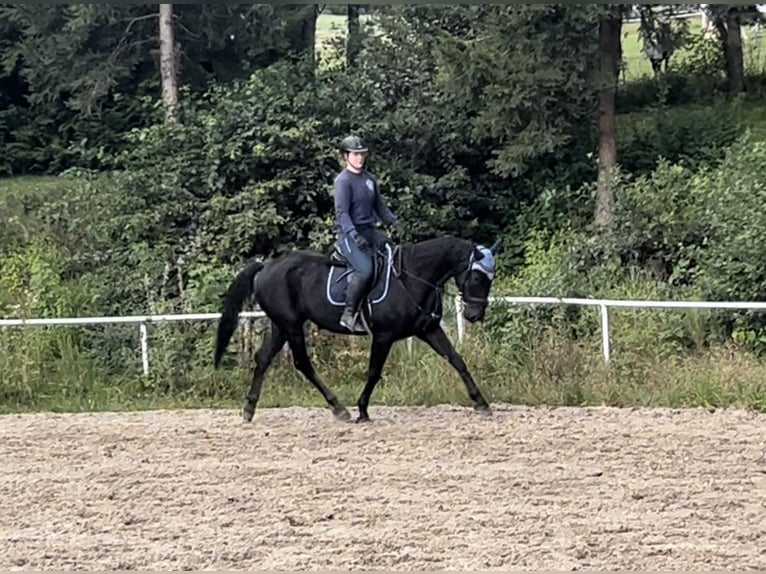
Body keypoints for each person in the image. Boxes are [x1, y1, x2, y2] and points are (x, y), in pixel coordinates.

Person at [333, 135, 400, 333]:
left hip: (369, 231)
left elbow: (380, 207)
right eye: (355, 154)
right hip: (348, 234)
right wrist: (353, 234)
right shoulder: (343, 181)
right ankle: (349, 313)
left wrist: (394, 221)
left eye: (362, 154)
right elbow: (342, 213)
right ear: (346, 156)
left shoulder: (370, 180)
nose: (360, 158)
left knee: (394, 254)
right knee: (365, 270)